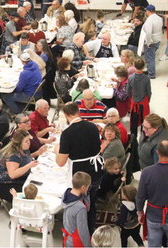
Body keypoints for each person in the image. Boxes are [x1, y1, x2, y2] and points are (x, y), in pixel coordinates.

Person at [56, 103, 103, 232]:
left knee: (81, 201)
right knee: (91, 200)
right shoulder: (92, 126)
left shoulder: (67, 133)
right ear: (78, 111)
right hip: (95, 168)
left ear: (65, 115)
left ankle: (79, 229)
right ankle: (91, 226)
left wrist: (57, 151)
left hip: (80, 171)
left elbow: (60, 162)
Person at [0, 130, 39, 203]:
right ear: (19, 143)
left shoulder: (24, 149)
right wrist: (29, 166)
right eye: (26, 141)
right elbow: (13, 175)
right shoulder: (12, 155)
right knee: (33, 193)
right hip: (6, 185)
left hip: (19, 179)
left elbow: (26, 159)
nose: (29, 143)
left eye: (28, 140)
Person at [61, 171, 92, 247]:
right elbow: (83, 230)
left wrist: (85, 194)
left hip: (67, 236)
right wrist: (88, 246)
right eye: (88, 187)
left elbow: (87, 207)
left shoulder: (66, 195)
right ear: (83, 188)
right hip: (76, 241)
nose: (88, 188)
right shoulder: (80, 208)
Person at [139, 5, 162, 79]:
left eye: (146, 11)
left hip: (151, 41)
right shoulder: (159, 18)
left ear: (148, 11)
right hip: (157, 40)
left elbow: (148, 32)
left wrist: (148, 43)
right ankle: (149, 70)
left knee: (150, 58)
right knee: (151, 56)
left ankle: (151, 74)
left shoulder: (149, 20)